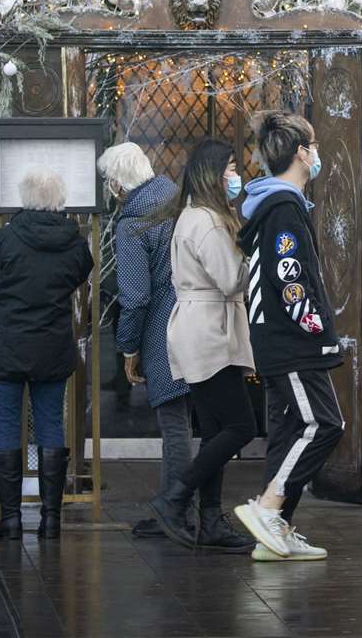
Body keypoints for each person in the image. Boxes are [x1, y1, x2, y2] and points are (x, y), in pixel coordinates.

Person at [231, 111, 345, 562]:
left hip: (277, 338)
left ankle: (273, 533)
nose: (316, 155)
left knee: (290, 427)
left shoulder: (272, 204)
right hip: (291, 339)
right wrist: (315, 324)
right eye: (313, 147)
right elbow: (288, 273)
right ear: (301, 153)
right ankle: (268, 508)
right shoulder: (284, 206)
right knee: (323, 424)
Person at [144, 139, 257, 552]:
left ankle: (210, 519)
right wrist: (254, 255)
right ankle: (174, 498)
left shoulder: (192, 216)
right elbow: (231, 279)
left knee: (214, 431)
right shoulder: (208, 221)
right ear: (212, 173)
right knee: (240, 426)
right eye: (230, 167)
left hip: (200, 328)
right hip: (211, 332)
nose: (235, 176)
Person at [0, 167, 93, 541]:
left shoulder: (8, 238)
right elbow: (79, 273)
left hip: (7, 346)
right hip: (52, 346)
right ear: (59, 200)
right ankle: (51, 520)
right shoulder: (74, 243)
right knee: (50, 425)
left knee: (8, 427)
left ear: (26, 198)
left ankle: (10, 519)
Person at [99, 142, 192, 542]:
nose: (109, 189)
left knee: (174, 426)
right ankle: (186, 506)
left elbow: (135, 297)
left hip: (163, 333)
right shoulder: (181, 204)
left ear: (119, 184)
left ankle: (173, 508)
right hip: (201, 324)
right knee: (197, 423)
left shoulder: (133, 223)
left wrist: (128, 348)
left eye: (108, 181)